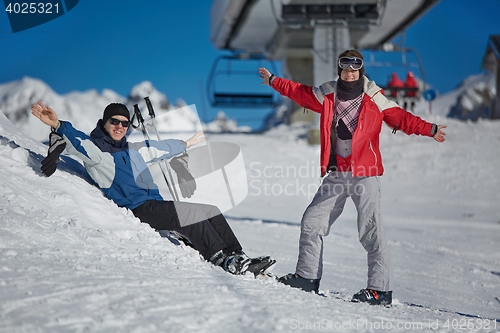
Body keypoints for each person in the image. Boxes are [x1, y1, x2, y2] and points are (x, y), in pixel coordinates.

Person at [258, 49, 446, 305]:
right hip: (338, 173)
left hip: (364, 174)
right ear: (340, 70)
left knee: (371, 230)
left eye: (354, 70)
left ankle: (380, 290)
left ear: (360, 71)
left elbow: (401, 118)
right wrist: (273, 81)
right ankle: (306, 277)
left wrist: (430, 129)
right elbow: (300, 92)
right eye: (345, 69)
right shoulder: (326, 94)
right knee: (312, 221)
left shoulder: (374, 97)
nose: (350, 74)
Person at [31, 101, 273, 276]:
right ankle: (221, 258)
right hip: (137, 208)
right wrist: (58, 125)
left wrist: (184, 144)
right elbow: (79, 143)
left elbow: (158, 148)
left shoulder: (132, 150)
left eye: (124, 123)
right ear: (104, 123)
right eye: (114, 121)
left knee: (211, 209)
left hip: (154, 203)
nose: (119, 126)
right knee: (190, 215)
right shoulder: (99, 153)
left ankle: (237, 254)